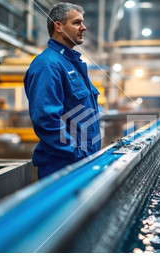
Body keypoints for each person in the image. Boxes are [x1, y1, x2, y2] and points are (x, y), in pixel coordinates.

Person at [24, 2, 101, 179]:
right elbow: (46, 119)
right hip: (63, 168)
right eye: (76, 23)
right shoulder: (48, 65)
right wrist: (74, 153)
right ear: (58, 26)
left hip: (81, 164)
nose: (84, 27)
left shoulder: (71, 64)